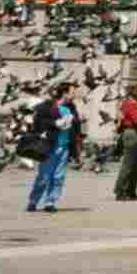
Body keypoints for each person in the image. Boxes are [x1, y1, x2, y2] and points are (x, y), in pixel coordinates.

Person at [26, 83, 83, 213]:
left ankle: (50, 202)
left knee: (58, 176)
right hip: (49, 146)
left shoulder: (71, 107)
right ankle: (33, 201)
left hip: (65, 147)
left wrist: (77, 147)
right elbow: (38, 122)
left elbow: (76, 128)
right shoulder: (49, 105)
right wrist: (55, 123)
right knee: (44, 176)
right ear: (65, 93)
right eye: (72, 92)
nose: (74, 95)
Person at [113, 83, 137, 201]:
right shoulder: (128, 104)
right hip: (131, 133)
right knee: (128, 164)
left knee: (136, 165)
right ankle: (120, 191)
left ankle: (131, 191)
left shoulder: (136, 105)